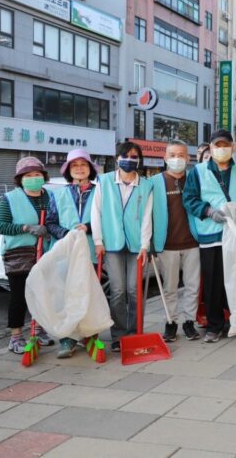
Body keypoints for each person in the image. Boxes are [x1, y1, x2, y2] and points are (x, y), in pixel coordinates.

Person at [183, 129, 236, 342]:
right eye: (217, 145)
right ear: (211, 148)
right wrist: (208, 211)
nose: (221, 149)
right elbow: (189, 199)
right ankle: (214, 326)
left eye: (225, 145)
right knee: (213, 283)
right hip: (211, 234)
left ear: (232, 147)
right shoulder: (198, 171)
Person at [92, 141, 153, 353]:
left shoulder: (146, 185)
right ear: (117, 158)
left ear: (139, 160)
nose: (129, 160)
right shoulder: (105, 181)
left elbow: (147, 217)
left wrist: (145, 244)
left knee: (134, 290)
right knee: (117, 290)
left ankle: (136, 331)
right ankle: (118, 335)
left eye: (134, 156)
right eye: (125, 156)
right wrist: (98, 241)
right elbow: (96, 211)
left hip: (137, 245)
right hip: (112, 243)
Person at [0, 157, 54, 354]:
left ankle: (39, 331)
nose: (33, 178)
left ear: (43, 176)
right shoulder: (10, 199)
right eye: (28, 175)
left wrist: (49, 228)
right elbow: (0, 226)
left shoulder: (50, 196)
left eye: (37, 174)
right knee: (19, 297)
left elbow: (57, 220)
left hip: (45, 253)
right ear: (20, 179)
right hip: (19, 254)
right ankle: (16, 337)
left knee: (43, 295)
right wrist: (26, 227)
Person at [46, 149, 99, 358]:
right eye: (74, 165)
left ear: (90, 169)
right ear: (68, 170)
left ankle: (89, 333)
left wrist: (88, 227)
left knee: (89, 293)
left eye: (83, 164)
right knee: (65, 295)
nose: (79, 168)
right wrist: (66, 233)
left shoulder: (99, 192)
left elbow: (105, 219)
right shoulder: (58, 194)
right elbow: (50, 221)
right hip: (64, 252)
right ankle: (67, 339)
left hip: (91, 252)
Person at [151, 140, 201, 343]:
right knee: (169, 287)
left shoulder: (194, 180)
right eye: (172, 155)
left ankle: (189, 322)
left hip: (193, 242)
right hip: (167, 244)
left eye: (181, 155)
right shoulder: (154, 182)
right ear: (165, 158)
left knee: (192, 286)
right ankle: (170, 322)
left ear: (188, 158)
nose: (177, 159)